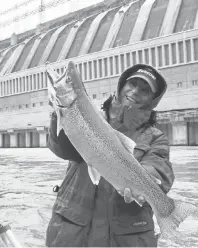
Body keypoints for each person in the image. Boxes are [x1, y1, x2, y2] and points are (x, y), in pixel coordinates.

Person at [46, 64, 175, 247]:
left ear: (151, 100)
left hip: (123, 237)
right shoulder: (92, 116)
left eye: (144, 90)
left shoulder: (156, 138)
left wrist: (142, 183)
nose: (135, 91)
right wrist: (57, 114)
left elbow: (160, 170)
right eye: (133, 84)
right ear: (122, 85)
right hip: (73, 232)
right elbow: (61, 149)